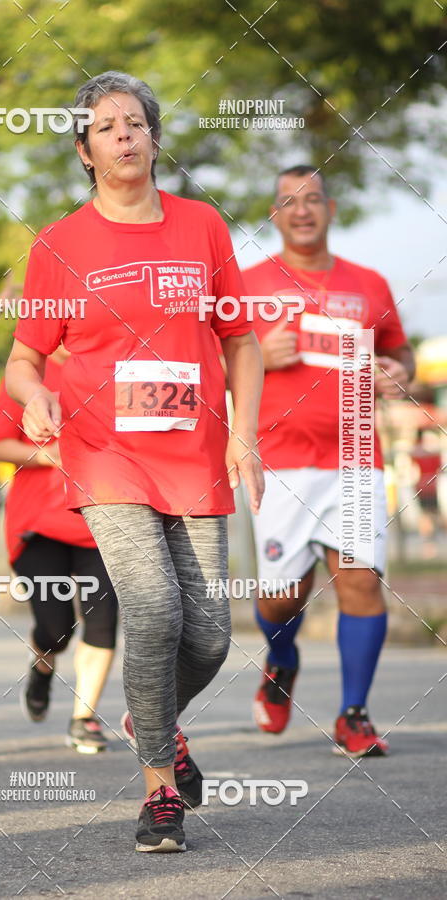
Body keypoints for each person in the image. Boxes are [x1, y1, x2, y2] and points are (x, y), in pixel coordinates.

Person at [5, 70, 264, 853]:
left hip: (192, 454)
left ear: (154, 138)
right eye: (106, 127)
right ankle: (159, 791)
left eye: (135, 123)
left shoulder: (202, 226)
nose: (124, 134)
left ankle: (149, 717)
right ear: (85, 151)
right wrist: (34, 397)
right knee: (152, 609)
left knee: (211, 637)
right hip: (105, 452)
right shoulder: (59, 244)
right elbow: (23, 359)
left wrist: (243, 432)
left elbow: (241, 340)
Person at [241, 164, 415, 757]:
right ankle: (282, 658)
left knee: (362, 582)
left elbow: (398, 350)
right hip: (280, 461)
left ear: (331, 208)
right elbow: (211, 370)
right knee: (281, 597)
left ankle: (354, 714)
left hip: (356, 456)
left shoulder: (368, 283)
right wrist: (260, 355)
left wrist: (398, 372)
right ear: (274, 214)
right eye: (288, 200)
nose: (302, 210)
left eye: (313, 198)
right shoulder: (247, 285)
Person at [0, 346, 118, 753]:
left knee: (103, 622)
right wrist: (47, 455)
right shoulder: (28, 375)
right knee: (57, 630)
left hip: (104, 521)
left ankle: (84, 718)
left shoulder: (116, 371)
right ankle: (43, 664)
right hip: (40, 526)